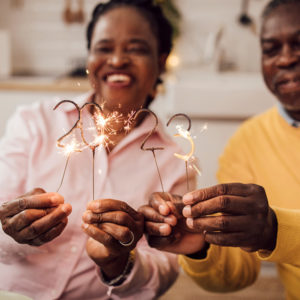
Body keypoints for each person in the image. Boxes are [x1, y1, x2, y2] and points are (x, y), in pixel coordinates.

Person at [0, 1, 192, 299]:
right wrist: (13, 233)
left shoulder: (174, 162)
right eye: (104, 48)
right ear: (90, 57)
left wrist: (119, 261)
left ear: (161, 61)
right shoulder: (32, 122)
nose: (117, 59)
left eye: (136, 49)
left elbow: (162, 273)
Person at [140, 0, 300, 299]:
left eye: (298, 44)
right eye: (271, 49)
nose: (285, 60)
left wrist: (276, 230)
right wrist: (202, 246)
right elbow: (237, 273)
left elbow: (275, 232)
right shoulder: (248, 142)